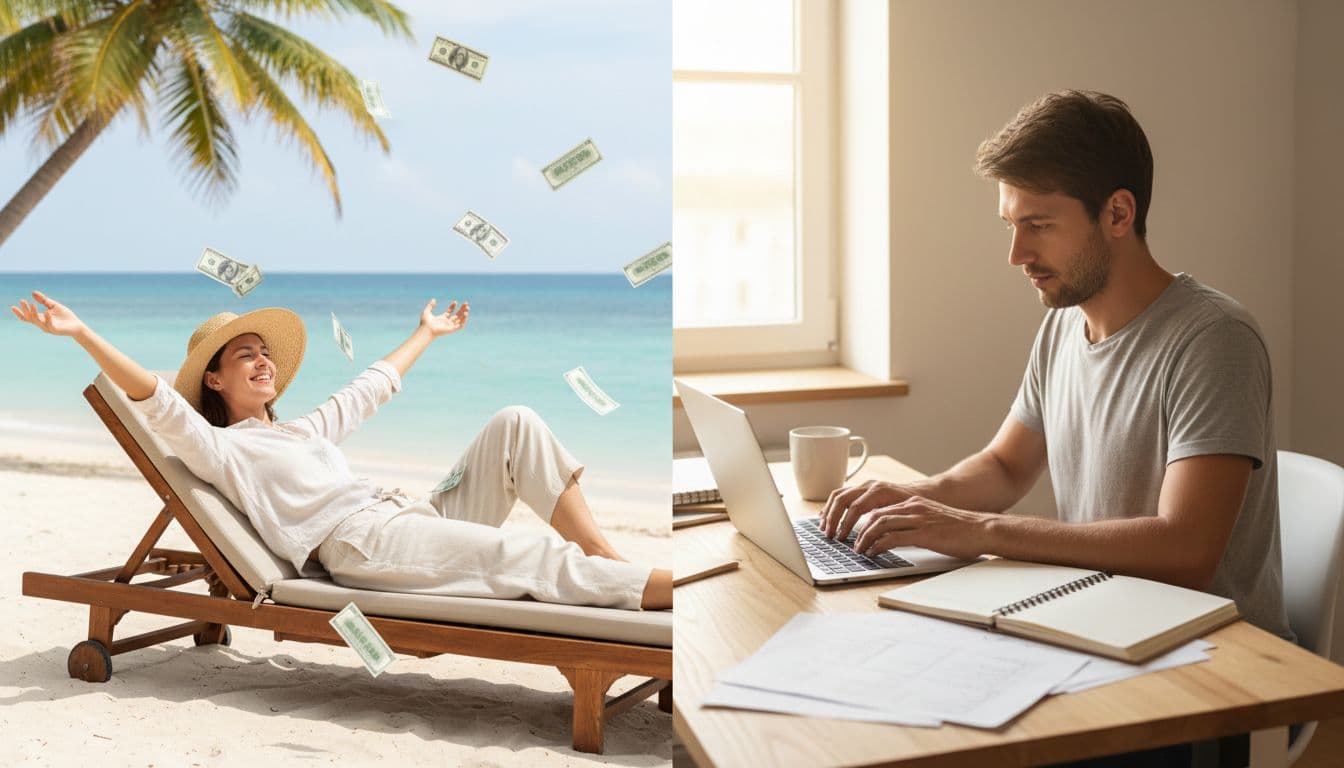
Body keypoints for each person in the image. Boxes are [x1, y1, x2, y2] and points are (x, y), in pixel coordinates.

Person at [818, 90, 1290, 767]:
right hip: (1098, 628)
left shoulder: (1213, 339)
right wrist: (922, 498)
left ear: (1118, 214)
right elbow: (1008, 467)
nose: (1016, 253)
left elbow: (1187, 550)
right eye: (1010, 223)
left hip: (1200, 668)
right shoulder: (1064, 323)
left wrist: (979, 531)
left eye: (1038, 224)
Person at [11, 290, 672, 612]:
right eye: (246, 355)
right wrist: (82, 333)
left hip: (414, 517)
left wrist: (427, 332)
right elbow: (154, 397)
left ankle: (609, 561)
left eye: (264, 352)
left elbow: (370, 386)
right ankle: (651, 590)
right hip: (363, 545)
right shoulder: (220, 447)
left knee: (516, 422)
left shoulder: (300, 432)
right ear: (214, 379)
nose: (262, 360)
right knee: (521, 555)